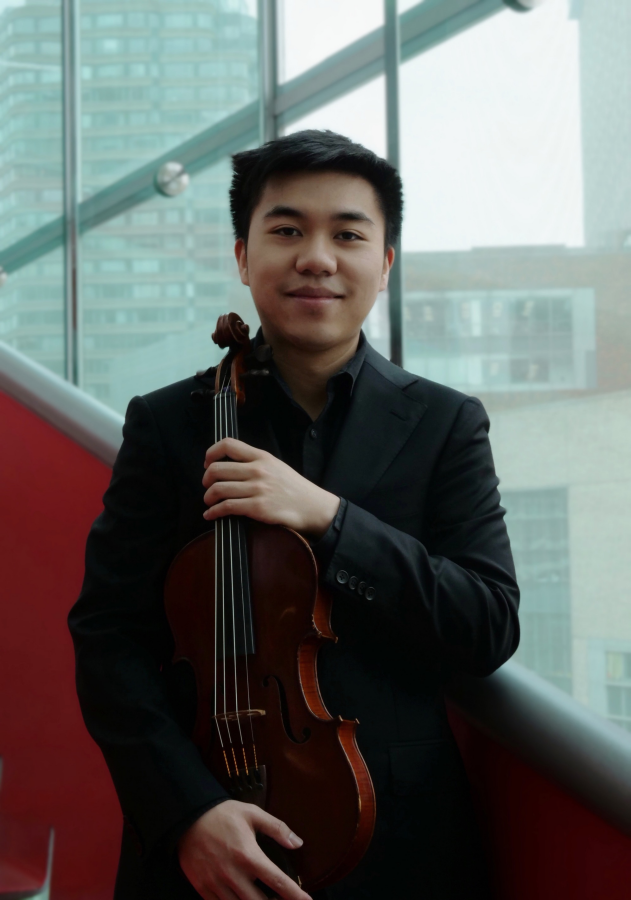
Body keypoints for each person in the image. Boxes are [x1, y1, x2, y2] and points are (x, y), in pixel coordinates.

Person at [69, 130, 520, 900]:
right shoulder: (169, 422)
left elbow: (485, 625)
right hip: (203, 848)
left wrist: (329, 518)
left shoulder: (446, 423)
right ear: (243, 257)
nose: (316, 256)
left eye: (347, 234)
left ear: (382, 263)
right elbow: (109, 639)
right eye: (286, 231)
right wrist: (189, 812)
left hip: (402, 846)